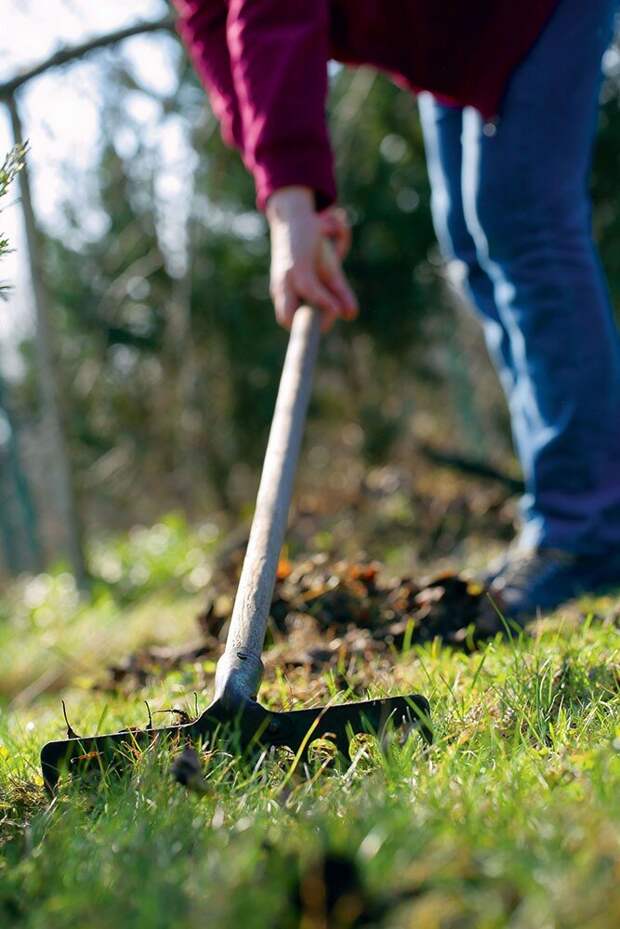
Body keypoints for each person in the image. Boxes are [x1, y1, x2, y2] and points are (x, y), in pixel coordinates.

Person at [173, 0, 620, 621]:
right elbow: (212, 26)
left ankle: (587, 531)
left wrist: (293, 206)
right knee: (471, 243)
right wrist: (290, 190)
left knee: (525, 224)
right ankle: (567, 520)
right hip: (455, 33)